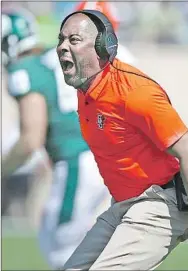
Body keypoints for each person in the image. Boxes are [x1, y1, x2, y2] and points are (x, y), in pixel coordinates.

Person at [57, 9, 188, 270]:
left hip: (159, 201)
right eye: (61, 40)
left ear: (103, 47)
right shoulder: (85, 90)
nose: (62, 47)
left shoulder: (135, 92)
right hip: (124, 204)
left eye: (73, 40)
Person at [1, 7, 111, 269]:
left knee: (59, 246)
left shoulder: (23, 71)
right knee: (68, 242)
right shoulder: (53, 58)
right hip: (100, 156)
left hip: (76, 163)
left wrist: (3, 167)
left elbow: (31, 137)